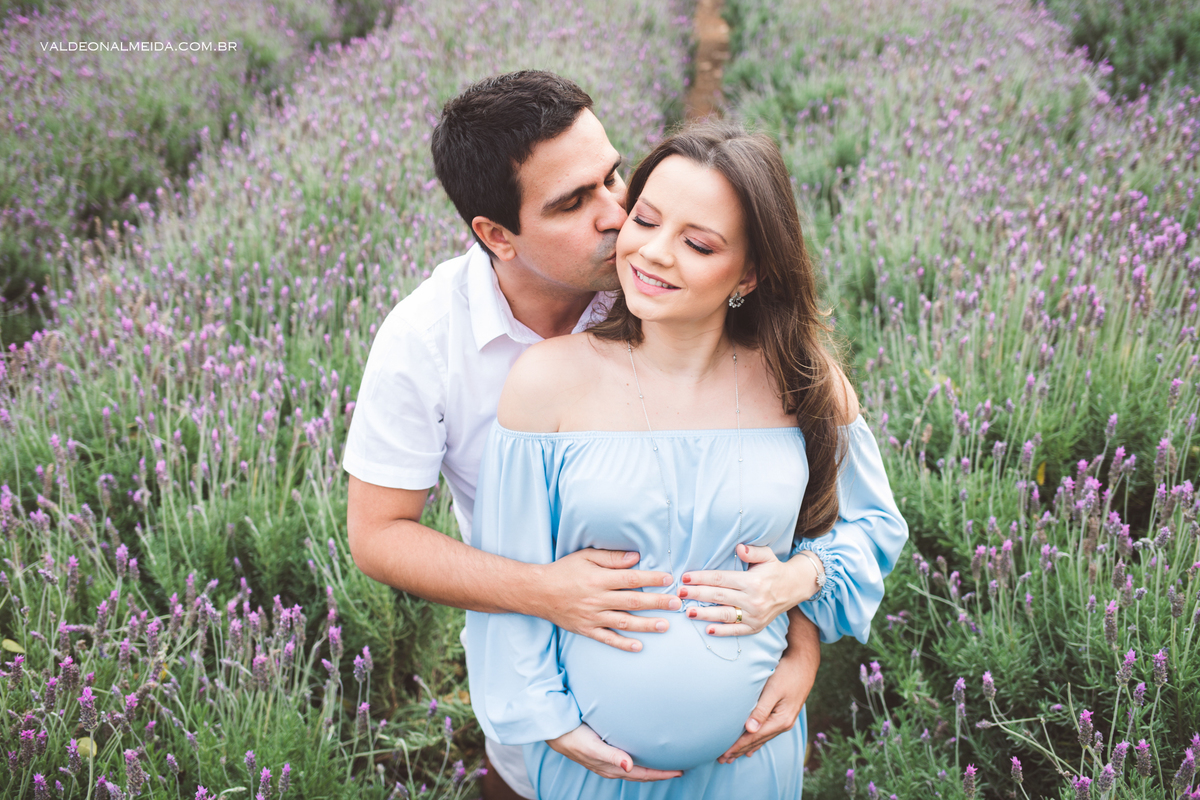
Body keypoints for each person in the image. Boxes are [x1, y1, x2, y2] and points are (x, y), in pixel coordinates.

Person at [344, 72, 827, 800]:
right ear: (495, 235)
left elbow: (796, 492)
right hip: (548, 730)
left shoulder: (665, 284)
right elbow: (378, 534)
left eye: (613, 175)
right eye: (574, 202)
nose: (619, 215)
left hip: (743, 746)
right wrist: (544, 592)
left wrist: (804, 635)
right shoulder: (425, 340)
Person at [465, 120, 909, 798]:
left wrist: (798, 582)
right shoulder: (545, 382)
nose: (654, 253)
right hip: (597, 772)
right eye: (644, 220)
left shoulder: (803, 380)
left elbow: (873, 527)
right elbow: (513, 575)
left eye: (698, 243)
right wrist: (551, 722)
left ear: (751, 272)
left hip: (752, 765)